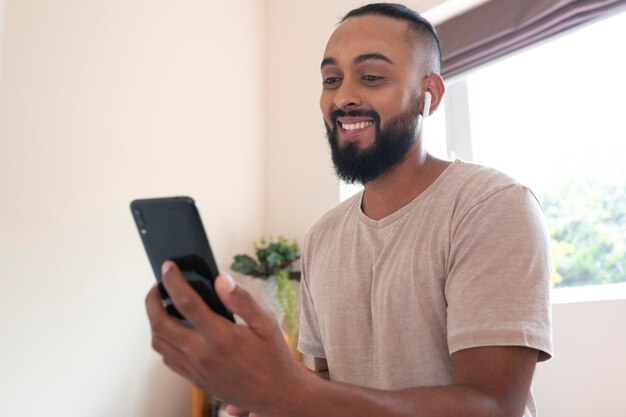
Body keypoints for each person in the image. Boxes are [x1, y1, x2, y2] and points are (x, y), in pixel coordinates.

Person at [145, 3, 553, 417]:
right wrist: (269, 398)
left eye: (372, 77)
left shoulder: (492, 205)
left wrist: (291, 393)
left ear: (428, 95)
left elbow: (493, 406)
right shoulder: (323, 237)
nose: (343, 97)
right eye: (331, 79)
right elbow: (325, 384)